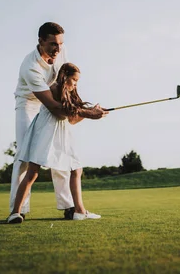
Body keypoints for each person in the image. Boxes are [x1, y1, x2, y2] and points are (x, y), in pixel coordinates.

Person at [6, 22, 107, 224]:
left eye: (61, 43)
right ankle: (17, 211)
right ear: (41, 41)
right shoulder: (30, 66)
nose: (58, 48)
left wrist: (81, 108)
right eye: (53, 44)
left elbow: (67, 86)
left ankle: (69, 207)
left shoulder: (61, 51)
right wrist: (87, 112)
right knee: (25, 158)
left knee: (62, 153)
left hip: (54, 101)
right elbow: (52, 105)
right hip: (30, 104)